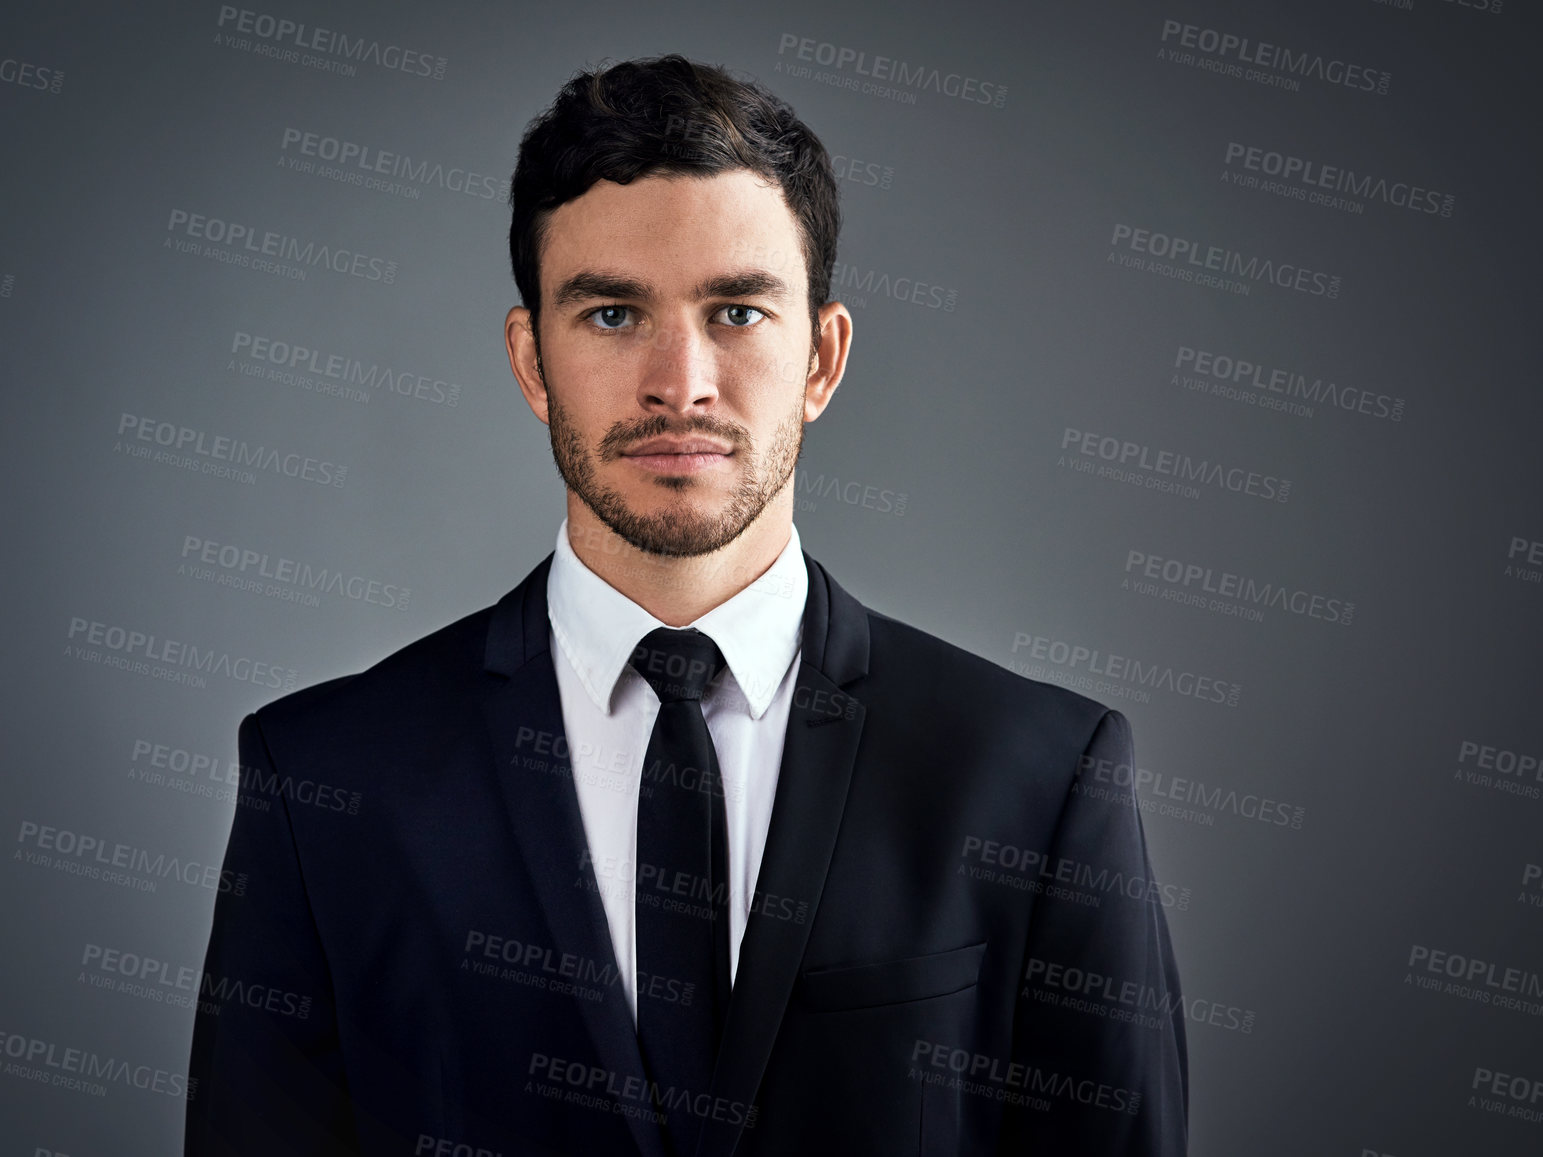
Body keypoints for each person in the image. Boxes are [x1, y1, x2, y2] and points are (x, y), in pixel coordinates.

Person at [187, 53, 1187, 1157]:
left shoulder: (1037, 775)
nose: (680, 381)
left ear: (821, 357)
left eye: (738, 312)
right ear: (531, 362)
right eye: (612, 313)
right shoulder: (324, 778)